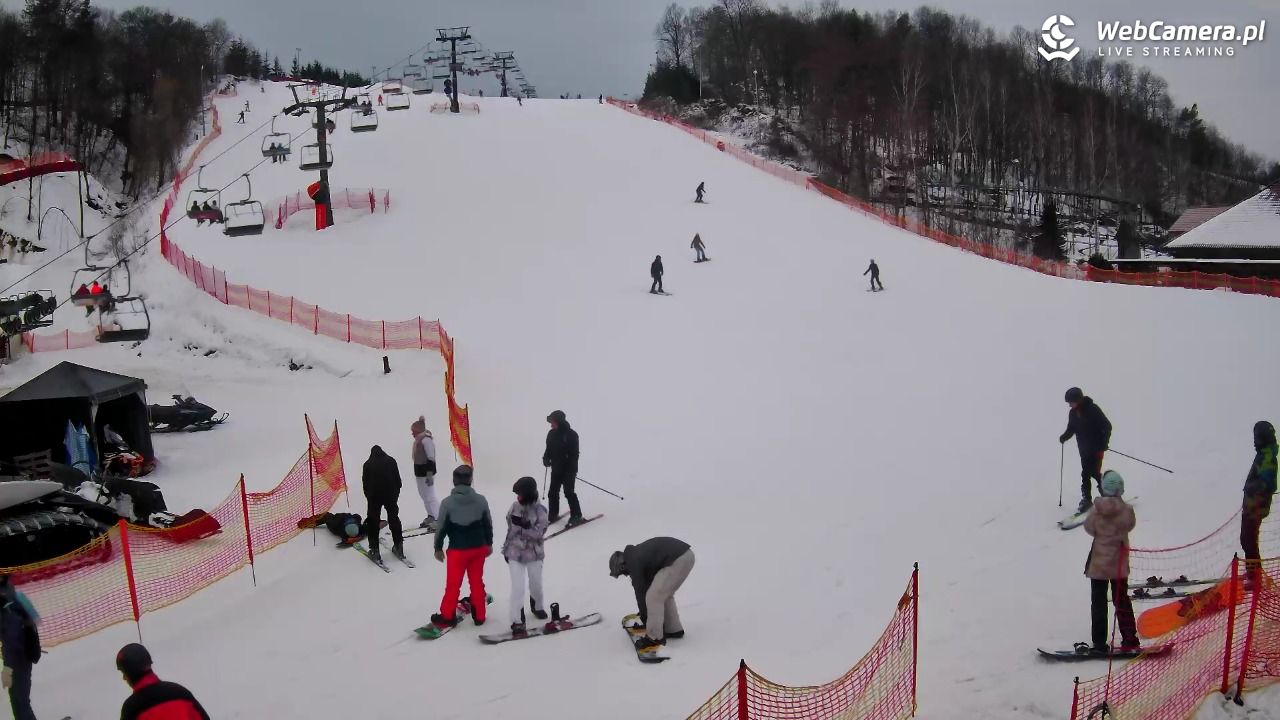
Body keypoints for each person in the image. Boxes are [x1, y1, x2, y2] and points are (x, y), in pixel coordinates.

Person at [1082, 470, 1138, 653]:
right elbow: (1130, 525)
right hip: (1119, 564)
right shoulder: (1127, 511)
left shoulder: (1096, 510)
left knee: (1098, 602)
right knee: (1121, 600)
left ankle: (1099, 642)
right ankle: (1130, 638)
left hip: (1099, 565)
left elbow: (1089, 528)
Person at [431, 465, 493, 628]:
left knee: (453, 584)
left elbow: (441, 527)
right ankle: (479, 616)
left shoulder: (447, 503)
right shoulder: (481, 500)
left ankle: (447, 616)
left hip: (457, 551)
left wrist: (437, 548)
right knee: (476, 582)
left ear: (454, 481)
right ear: (470, 480)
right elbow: (487, 524)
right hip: (478, 548)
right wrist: (489, 544)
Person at [609, 537, 695, 652]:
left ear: (622, 565)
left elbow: (641, 593)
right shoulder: (636, 555)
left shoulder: (633, 561)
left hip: (678, 559)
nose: (625, 575)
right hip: (684, 556)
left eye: (622, 572)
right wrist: (648, 615)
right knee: (662, 594)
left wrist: (646, 619)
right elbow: (647, 586)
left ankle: (654, 637)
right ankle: (673, 629)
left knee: (654, 597)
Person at [503, 476, 550, 634]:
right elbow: (509, 526)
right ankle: (517, 619)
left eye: (521, 495)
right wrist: (506, 548)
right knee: (517, 587)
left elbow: (540, 532)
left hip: (534, 554)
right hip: (515, 553)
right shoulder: (514, 507)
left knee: (536, 584)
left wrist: (525, 527)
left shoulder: (540, 510)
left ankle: (537, 605)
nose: (518, 498)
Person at [115, 643, 209, 719]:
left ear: (130, 674)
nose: (124, 678)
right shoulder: (180, 692)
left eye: (124, 673)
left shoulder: (131, 709)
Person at [1059, 387, 1113, 513]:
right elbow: (1071, 428)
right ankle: (1089, 499)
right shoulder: (1073, 413)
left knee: (1091, 472)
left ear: (1078, 399)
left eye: (1070, 402)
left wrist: (1104, 442)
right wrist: (1064, 437)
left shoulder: (1092, 409)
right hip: (1084, 449)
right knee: (1088, 473)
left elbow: (1107, 426)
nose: (1069, 405)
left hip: (1097, 448)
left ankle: (1100, 495)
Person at [1242, 420, 1277, 588]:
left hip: (1255, 506)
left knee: (1248, 539)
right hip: (1252, 504)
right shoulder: (1264, 453)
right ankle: (1253, 572)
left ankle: (1254, 576)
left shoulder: (1268, 456)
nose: (1254, 440)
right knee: (1248, 539)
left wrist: (1250, 487)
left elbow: (1268, 483)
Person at [1, 575, 39, 720]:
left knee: (20, 701)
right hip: (22, 655)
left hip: (19, 658)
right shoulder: (14, 596)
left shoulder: (7, 605)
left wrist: (8, 668)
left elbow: (12, 641)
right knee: (18, 700)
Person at [361, 445, 404, 563]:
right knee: (394, 518)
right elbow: (398, 481)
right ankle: (399, 547)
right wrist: (395, 494)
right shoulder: (391, 461)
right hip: (390, 495)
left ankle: (375, 551)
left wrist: (369, 498)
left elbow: (365, 484)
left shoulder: (367, 464)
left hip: (374, 497)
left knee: (373, 522)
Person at [542, 410, 583, 525]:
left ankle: (576, 516)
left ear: (558, 422)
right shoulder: (551, 434)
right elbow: (548, 449)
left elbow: (575, 455)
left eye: (553, 421)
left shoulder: (571, 435)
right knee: (552, 492)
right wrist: (546, 458)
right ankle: (553, 514)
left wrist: (570, 470)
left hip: (568, 470)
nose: (551, 424)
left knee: (569, 492)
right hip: (556, 469)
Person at [410, 416, 439, 529]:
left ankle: (438, 519)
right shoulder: (418, 440)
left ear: (418, 430)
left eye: (413, 431)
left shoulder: (426, 440)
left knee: (430, 496)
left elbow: (431, 458)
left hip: (427, 473)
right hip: (419, 473)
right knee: (424, 496)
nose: (412, 433)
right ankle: (431, 515)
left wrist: (429, 474)